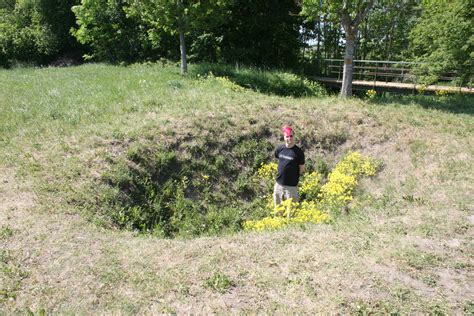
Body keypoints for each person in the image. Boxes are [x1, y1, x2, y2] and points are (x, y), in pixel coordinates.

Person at [273, 126, 305, 207]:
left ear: (294, 137)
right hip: (279, 185)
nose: (289, 138)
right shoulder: (280, 149)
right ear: (284, 137)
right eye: (287, 136)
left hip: (291, 187)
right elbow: (278, 159)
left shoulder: (298, 152)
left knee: (291, 211)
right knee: (278, 209)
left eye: (291, 136)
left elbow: (301, 169)